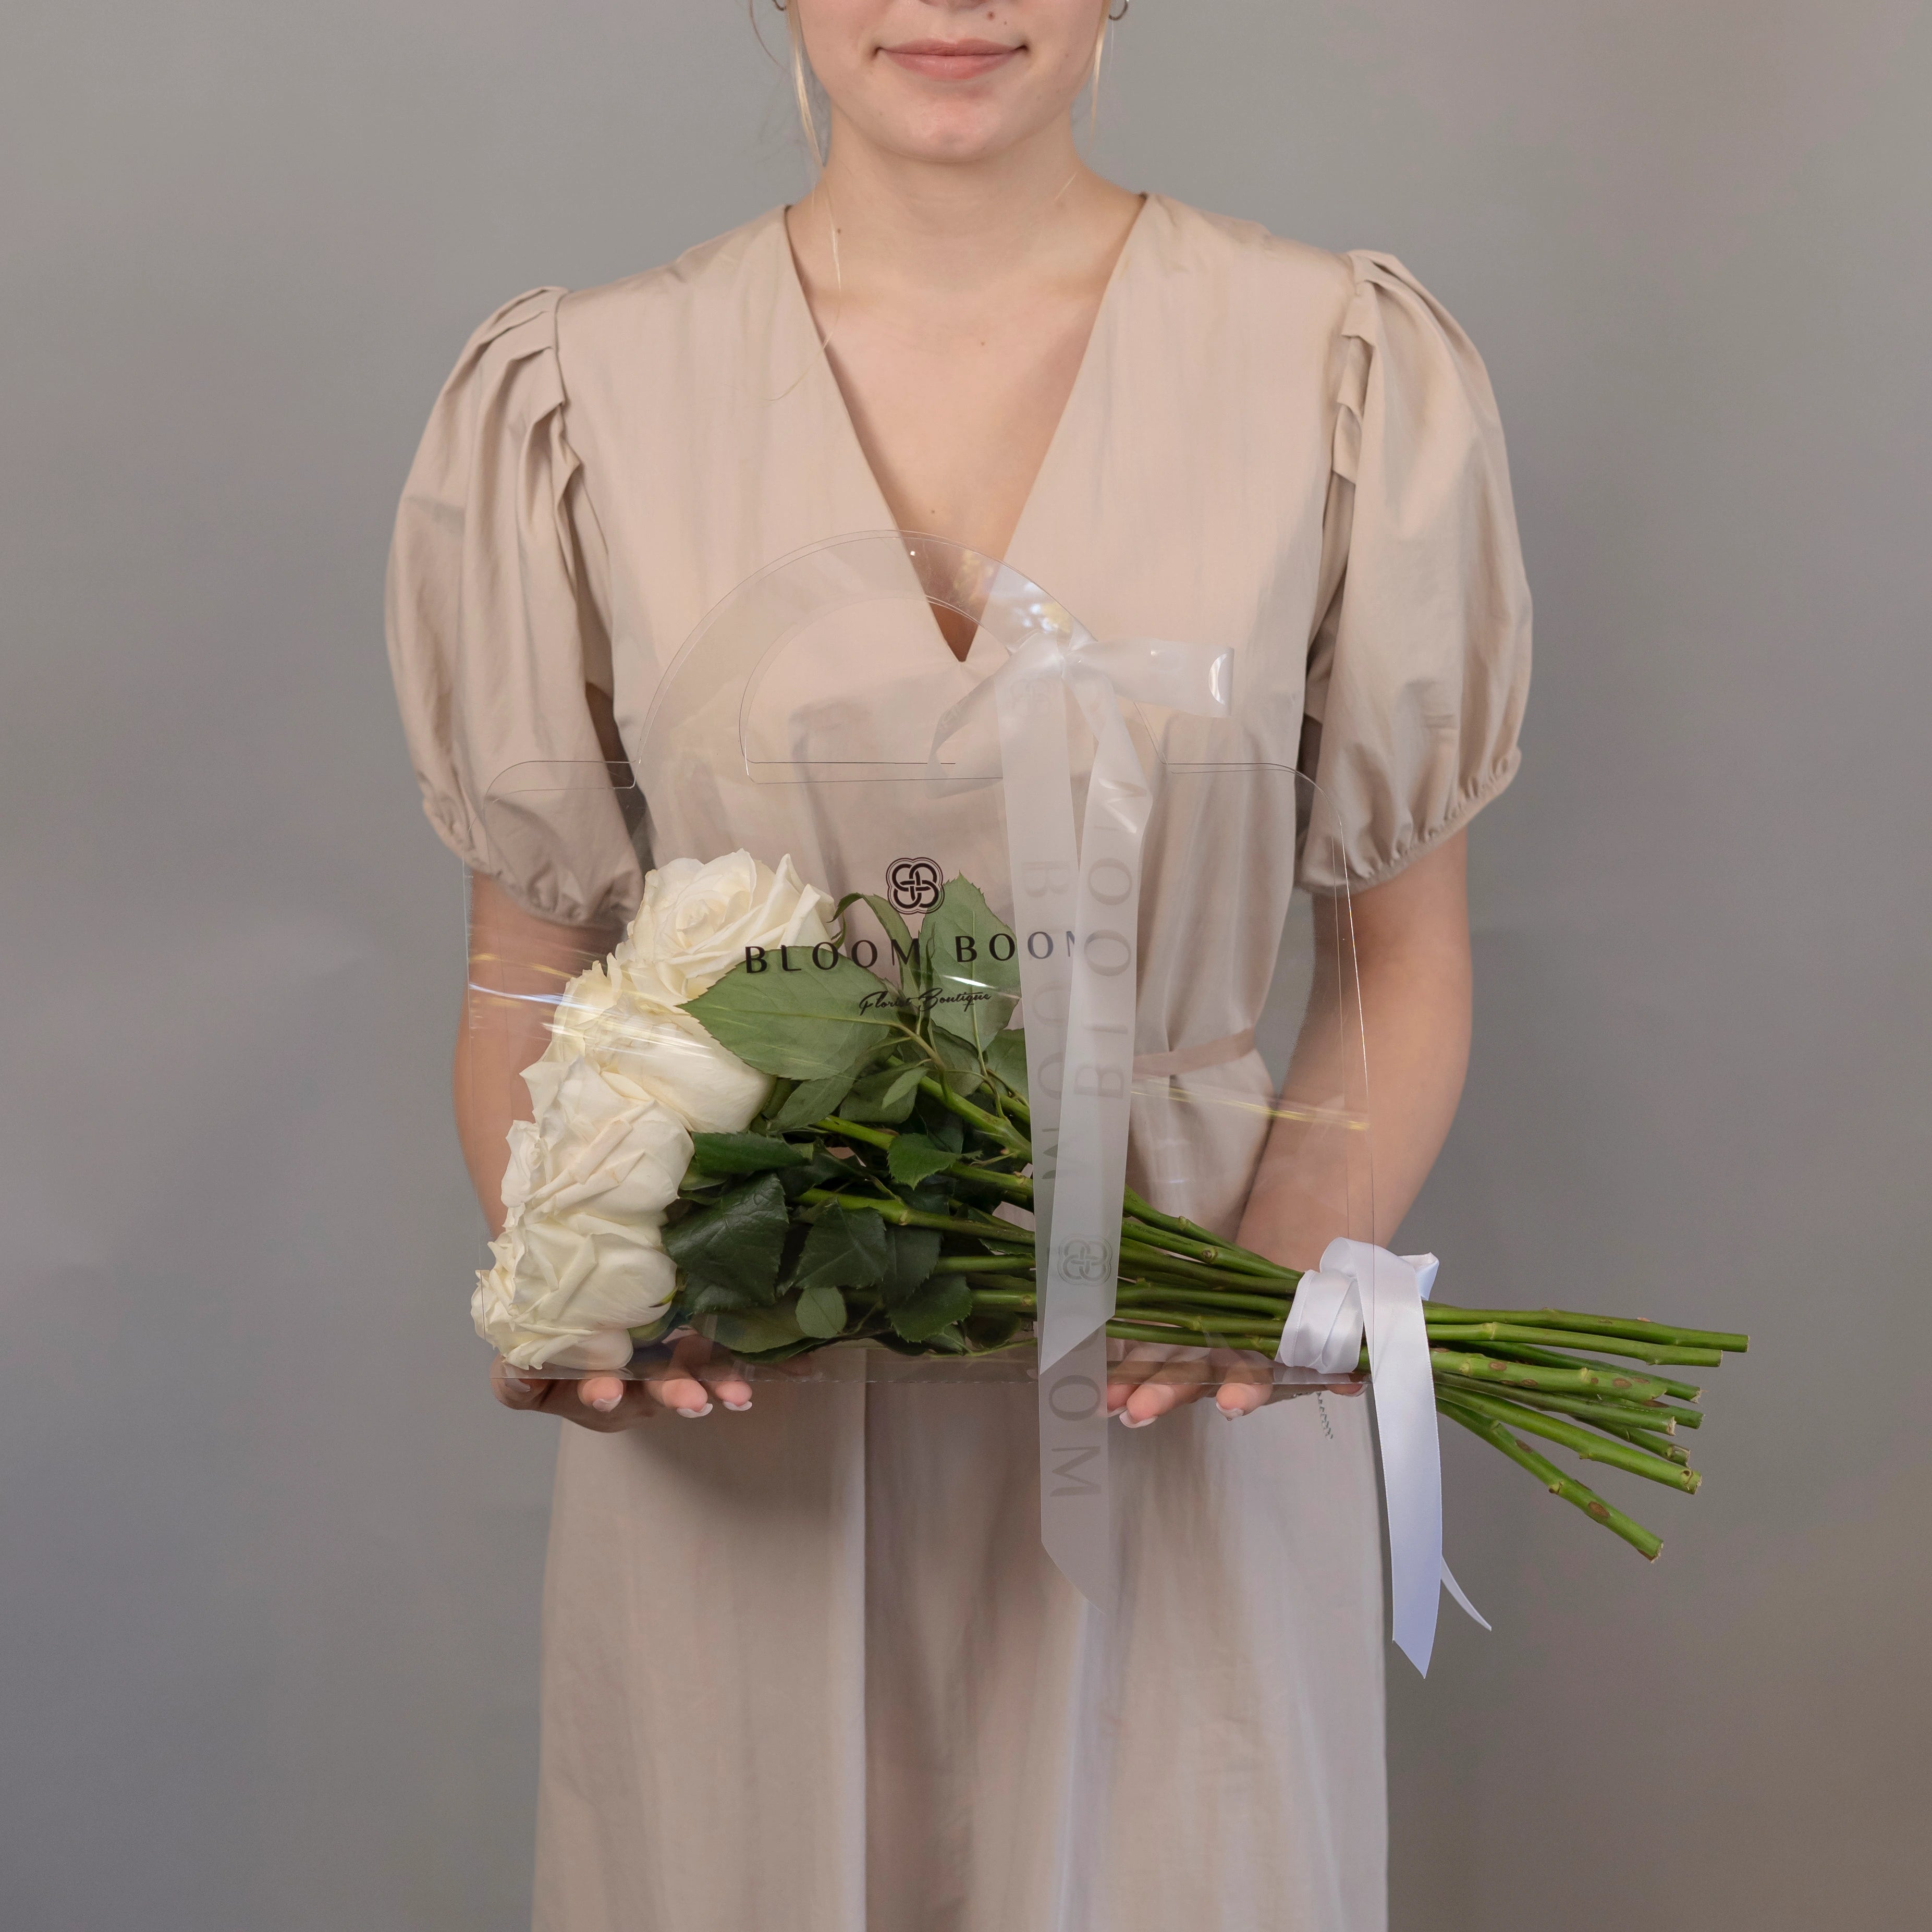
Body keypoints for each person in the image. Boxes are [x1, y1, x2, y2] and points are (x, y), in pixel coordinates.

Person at [386, 3, 1531, 1925]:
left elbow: (1397, 950)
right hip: (749, 1364)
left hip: (1179, 1377)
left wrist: (1260, 1284)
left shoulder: (1334, 368)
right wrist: (578, 1284)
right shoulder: (581, 394)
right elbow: (525, 963)